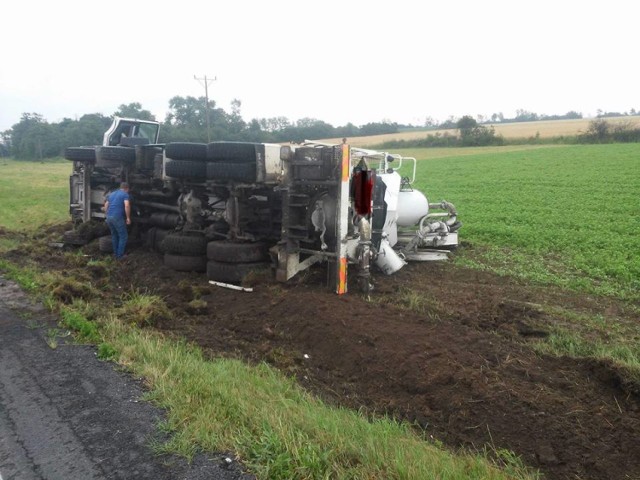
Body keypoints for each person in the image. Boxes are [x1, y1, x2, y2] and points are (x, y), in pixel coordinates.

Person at [103, 182, 131, 259]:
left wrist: (106, 215)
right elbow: (127, 205)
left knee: (114, 235)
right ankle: (120, 255)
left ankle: (115, 254)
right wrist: (128, 218)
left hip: (109, 217)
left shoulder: (112, 194)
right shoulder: (125, 194)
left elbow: (106, 205)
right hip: (117, 217)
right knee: (123, 236)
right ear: (126, 189)